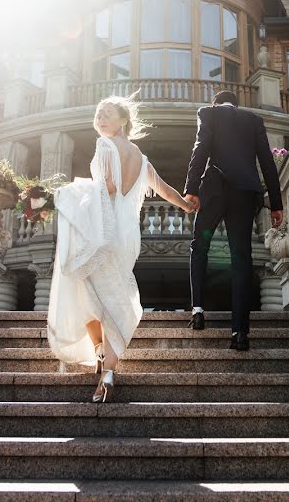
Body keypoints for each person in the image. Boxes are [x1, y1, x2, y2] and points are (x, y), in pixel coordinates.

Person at [47, 92, 193, 403]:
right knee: (111, 301)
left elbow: (109, 187)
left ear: (123, 120)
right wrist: (185, 205)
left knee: (84, 293)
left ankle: (100, 351)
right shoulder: (141, 157)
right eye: (98, 113)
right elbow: (163, 188)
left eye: (107, 113)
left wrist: (72, 192)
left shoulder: (105, 145)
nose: (100, 119)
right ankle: (108, 371)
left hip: (103, 230)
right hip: (128, 236)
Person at [184, 90, 284, 351]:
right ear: (237, 106)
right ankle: (240, 333)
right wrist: (276, 203)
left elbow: (200, 149)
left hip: (215, 192)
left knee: (200, 247)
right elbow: (267, 162)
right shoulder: (253, 120)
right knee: (242, 259)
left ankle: (197, 311)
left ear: (215, 103)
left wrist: (192, 188)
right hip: (245, 194)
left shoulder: (208, 113)